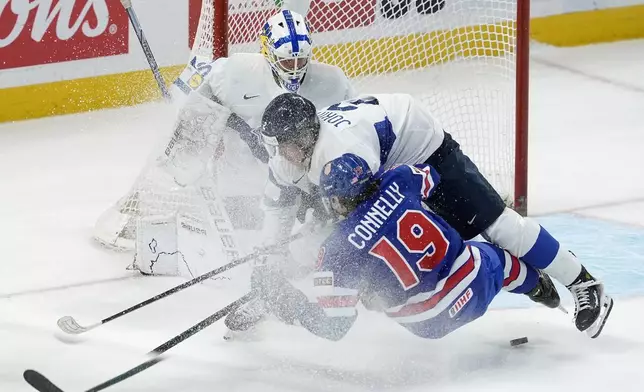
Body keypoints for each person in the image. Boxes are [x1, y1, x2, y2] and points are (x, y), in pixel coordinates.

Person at [226, 93, 612, 337]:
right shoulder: (292, 156)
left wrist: (310, 260)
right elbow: (275, 215)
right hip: (389, 157)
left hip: (424, 148)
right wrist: (267, 265)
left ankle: (584, 282)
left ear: (306, 137)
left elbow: (356, 225)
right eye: (277, 147)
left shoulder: (342, 152)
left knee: (496, 225)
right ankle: (524, 278)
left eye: (286, 145)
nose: (281, 154)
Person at [247, 154, 613, 340]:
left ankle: (535, 285)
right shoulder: (401, 178)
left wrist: (285, 301)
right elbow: (433, 179)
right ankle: (540, 287)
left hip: (425, 325)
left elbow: (334, 327)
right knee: (498, 259)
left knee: (376, 290)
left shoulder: (337, 249)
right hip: (471, 284)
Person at [93, 9, 356, 253]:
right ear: (268, 54)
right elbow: (200, 104)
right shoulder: (235, 72)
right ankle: (152, 215)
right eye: (288, 62)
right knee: (190, 170)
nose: (296, 69)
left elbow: (350, 128)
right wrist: (209, 135)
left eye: (301, 60)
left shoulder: (333, 81)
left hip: (296, 162)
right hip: (251, 162)